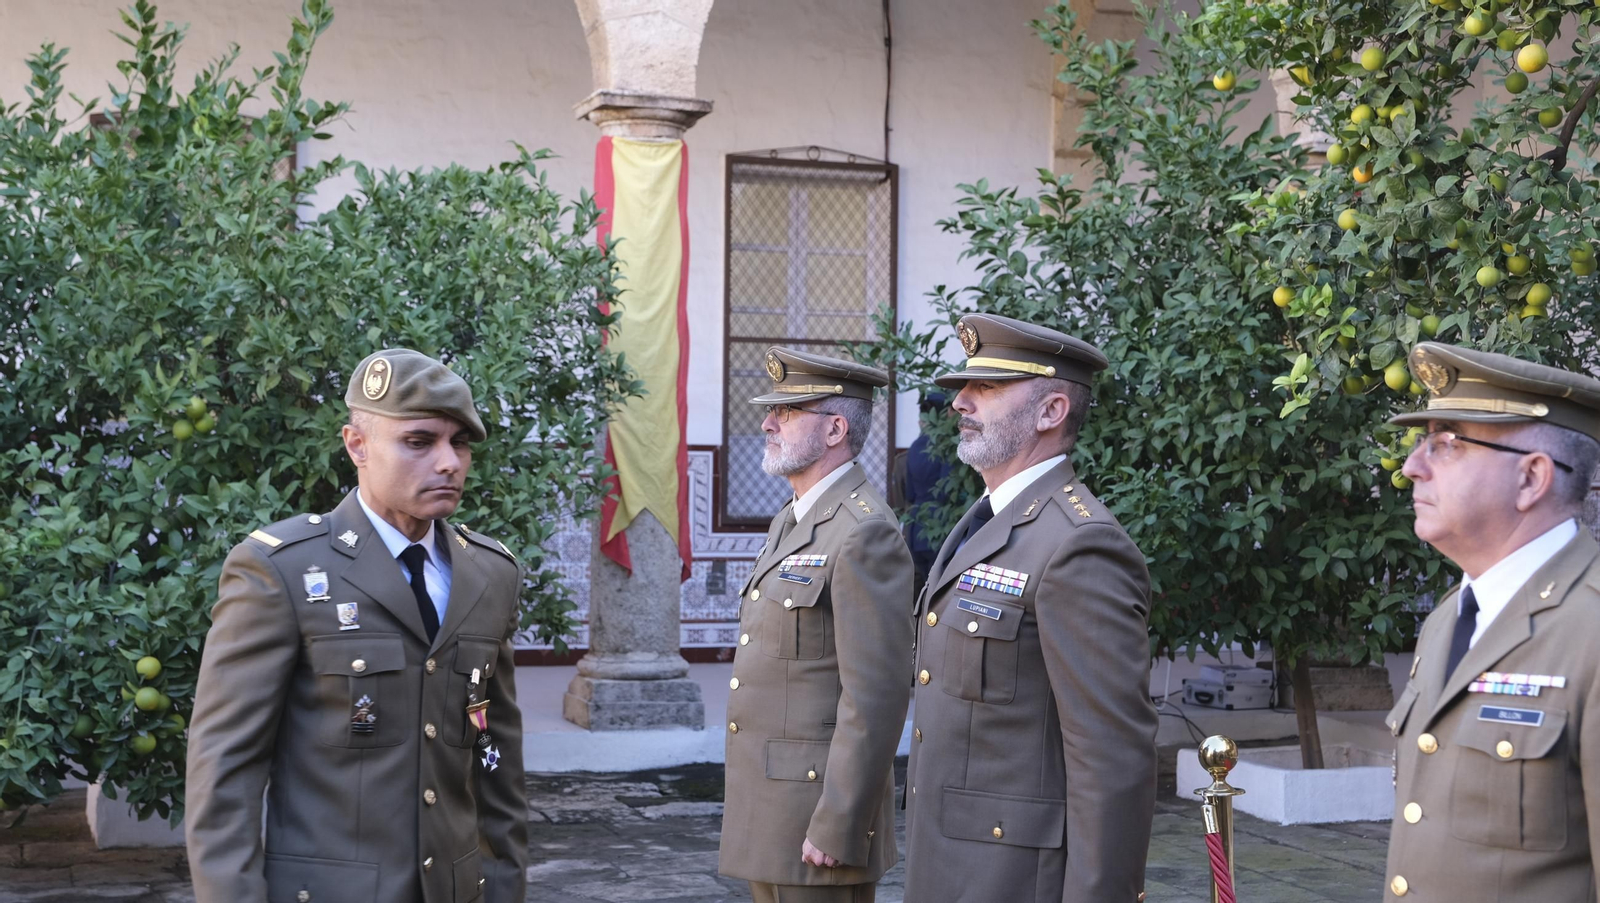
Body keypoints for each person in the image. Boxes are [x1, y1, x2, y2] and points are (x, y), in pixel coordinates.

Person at [185, 349, 528, 903]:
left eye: (459, 442)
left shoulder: (490, 574)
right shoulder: (281, 570)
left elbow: (498, 762)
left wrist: (506, 886)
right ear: (357, 445)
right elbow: (225, 772)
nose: (449, 462)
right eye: (419, 442)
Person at [902, 313, 1157, 903]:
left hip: (1014, 880)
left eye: (986, 388)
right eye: (964, 388)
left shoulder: (1078, 543)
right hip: (950, 861)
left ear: (1051, 412)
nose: (960, 402)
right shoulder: (987, 520)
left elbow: (1111, 758)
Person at [1383, 341, 1600, 901]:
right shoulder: (1448, 619)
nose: (1411, 468)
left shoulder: (1591, 631)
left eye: (1445, 444)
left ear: (1532, 478)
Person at [718, 347, 915, 903]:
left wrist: (839, 820)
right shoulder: (794, 516)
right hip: (773, 807)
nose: (767, 422)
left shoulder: (863, 532)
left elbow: (874, 696)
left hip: (816, 818)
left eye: (787, 411)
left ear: (834, 429)